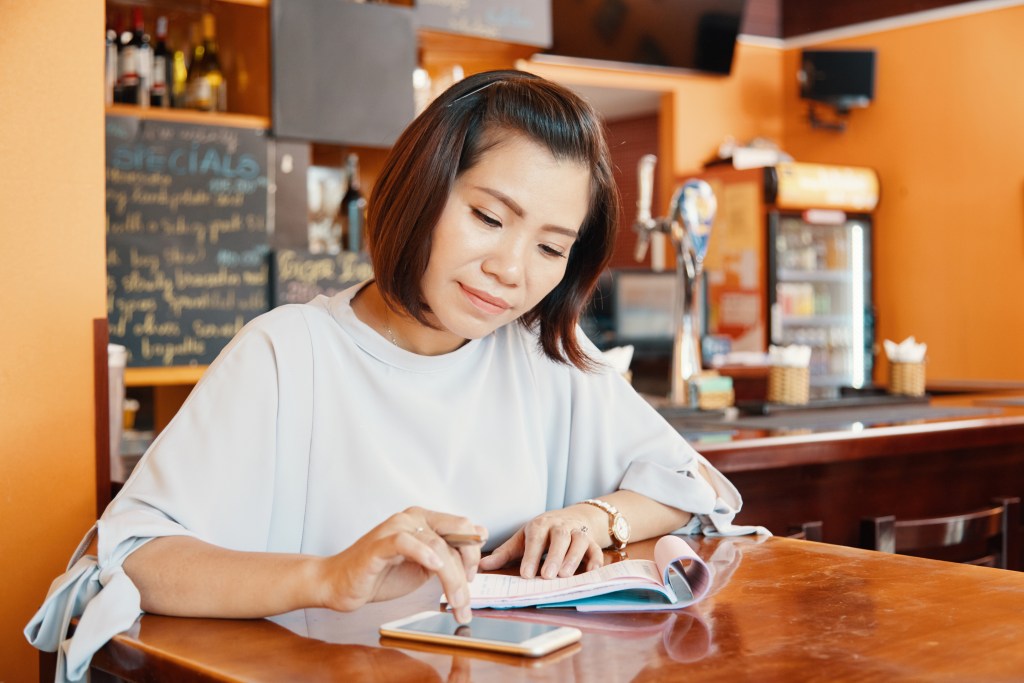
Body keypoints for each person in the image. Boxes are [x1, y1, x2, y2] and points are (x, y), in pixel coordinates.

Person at [27, 69, 762, 682]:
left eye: (550, 246)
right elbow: (136, 558)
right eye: (487, 215)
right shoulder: (289, 355)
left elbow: (687, 482)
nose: (510, 270)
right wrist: (326, 577)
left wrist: (597, 517)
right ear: (423, 187)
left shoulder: (542, 354)